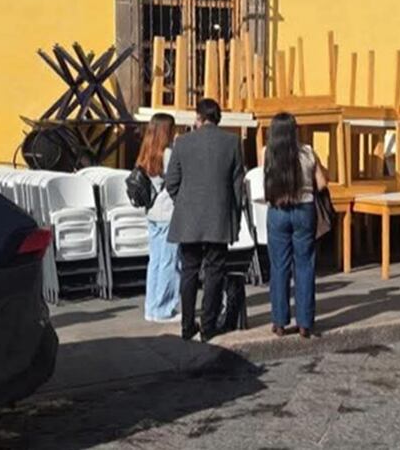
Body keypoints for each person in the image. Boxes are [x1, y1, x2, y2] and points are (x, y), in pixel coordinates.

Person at [165, 98, 244, 342]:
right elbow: (237, 184)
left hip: (189, 216)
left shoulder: (183, 142)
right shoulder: (232, 142)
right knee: (214, 271)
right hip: (219, 215)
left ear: (198, 118)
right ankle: (208, 325)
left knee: (188, 270)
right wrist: (234, 213)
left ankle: (187, 325)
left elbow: (171, 182)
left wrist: (186, 202)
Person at [263, 113, 327, 339]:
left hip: (278, 211)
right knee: (304, 265)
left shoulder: (267, 153)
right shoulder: (308, 152)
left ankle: (279, 322)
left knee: (279, 266)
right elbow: (322, 183)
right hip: (304, 210)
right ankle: (305, 323)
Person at [136, 113, 180, 323]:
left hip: (152, 212)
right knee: (169, 261)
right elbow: (176, 181)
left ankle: (151, 307)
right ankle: (164, 308)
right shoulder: (168, 153)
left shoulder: (146, 152)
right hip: (168, 211)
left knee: (154, 261)